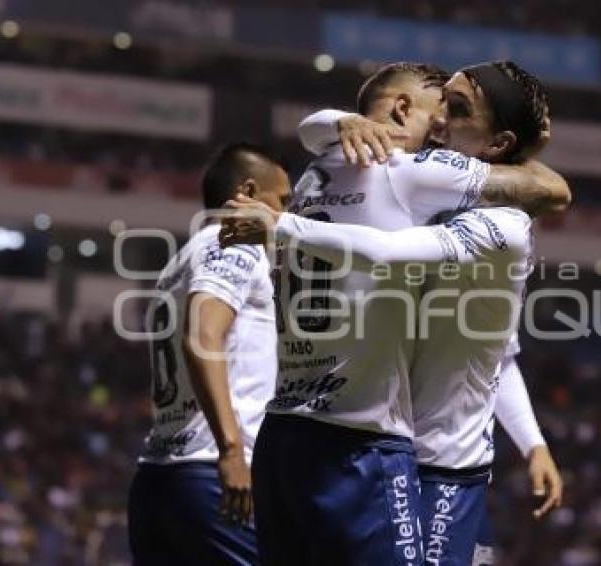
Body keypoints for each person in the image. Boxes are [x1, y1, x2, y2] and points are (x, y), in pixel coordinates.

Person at [220, 62, 568, 565]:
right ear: (403, 109)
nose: (442, 121)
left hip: (432, 461)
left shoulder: (320, 175)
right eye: (441, 104)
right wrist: (335, 121)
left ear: (497, 143)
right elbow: (553, 189)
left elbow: (499, 352)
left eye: (458, 108)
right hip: (374, 443)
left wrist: (532, 442)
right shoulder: (414, 180)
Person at [127, 143, 290, 565]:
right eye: (283, 201)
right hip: (212, 476)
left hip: (159, 475)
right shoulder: (233, 243)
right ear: (249, 191)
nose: (289, 214)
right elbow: (202, 337)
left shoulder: (179, 261)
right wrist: (231, 452)